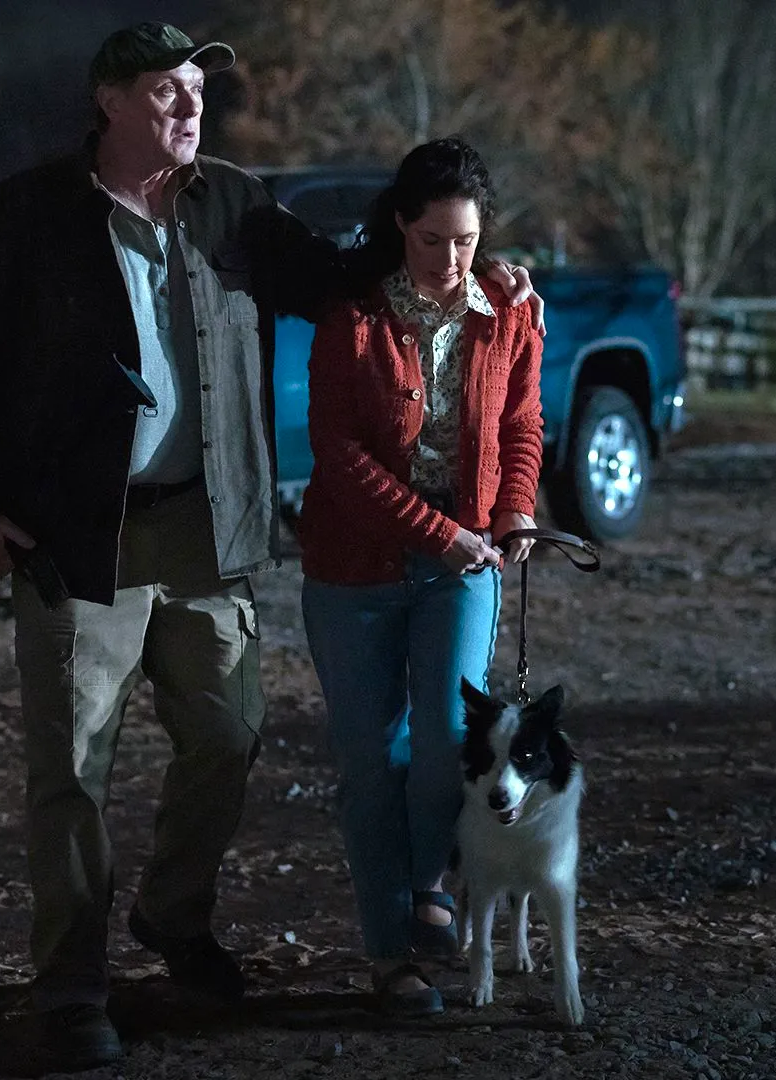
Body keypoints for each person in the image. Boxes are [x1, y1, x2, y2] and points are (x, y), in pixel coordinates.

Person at [0, 24, 535, 1069]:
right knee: (72, 768)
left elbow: (349, 279)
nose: (191, 107)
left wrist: (475, 266)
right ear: (109, 100)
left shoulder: (237, 205)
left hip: (212, 529)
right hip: (82, 536)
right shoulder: (26, 215)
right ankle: (73, 989)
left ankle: (174, 913)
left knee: (228, 735)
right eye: (167, 91)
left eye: (199, 90)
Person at [296, 137, 545, 1017]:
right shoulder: (354, 318)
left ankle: (430, 889)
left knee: (446, 738)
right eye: (434, 239)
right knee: (372, 760)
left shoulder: (506, 312)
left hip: (464, 563)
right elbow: (338, 453)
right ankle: (390, 955)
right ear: (401, 225)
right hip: (354, 565)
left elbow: (523, 426)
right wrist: (437, 532)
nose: (451, 258)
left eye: (467, 241)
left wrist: (513, 510)